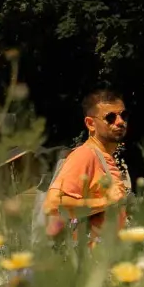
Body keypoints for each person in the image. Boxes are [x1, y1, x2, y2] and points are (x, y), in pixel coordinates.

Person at [44, 90, 132, 245]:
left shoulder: (103, 158)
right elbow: (53, 204)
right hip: (91, 263)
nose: (119, 122)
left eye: (123, 115)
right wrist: (105, 202)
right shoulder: (85, 155)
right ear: (91, 124)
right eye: (110, 118)